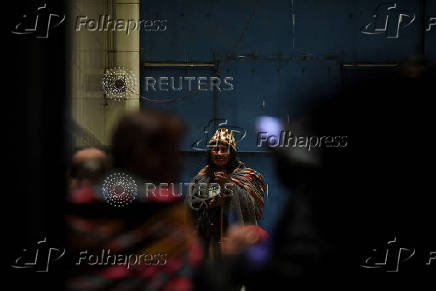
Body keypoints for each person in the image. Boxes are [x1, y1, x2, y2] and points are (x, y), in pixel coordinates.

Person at [186, 128, 266, 262]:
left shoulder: (246, 176)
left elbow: (253, 207)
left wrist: (230, 189)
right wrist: (208, 204)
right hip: (210, 242)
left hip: (237, 240)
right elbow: (190, 207)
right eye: (215, 149)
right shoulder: (201, 178)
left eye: (224, 149)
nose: (219, 153)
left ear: (231, 153)